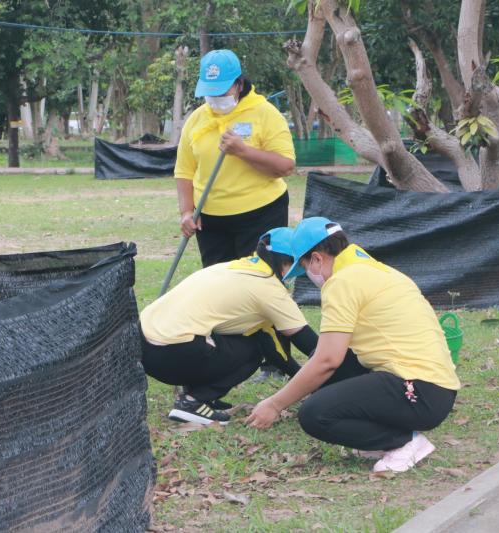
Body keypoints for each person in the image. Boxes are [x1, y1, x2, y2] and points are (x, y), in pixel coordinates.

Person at [246, 217, 461, 473]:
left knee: (315, 414)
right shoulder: (377, 270)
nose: (309, 277)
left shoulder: (342, 281)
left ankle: (404, 443)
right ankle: (378, 433)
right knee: (324, 368)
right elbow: (330, 355)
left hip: (419, 392)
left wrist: (275, 404)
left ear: (317, 258)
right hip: (436, 388)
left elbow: (328, 360)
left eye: (305, 268)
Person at [176, 49, 296, 382]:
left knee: (264, 285)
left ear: (239, 84)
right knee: (218, 285)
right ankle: (230, 353)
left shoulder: (264, 113)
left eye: (222, 91)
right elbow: (184, 171)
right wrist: (187, 211)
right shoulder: (198, 120)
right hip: (211, 219)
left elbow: (286, 166)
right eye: (209, 93)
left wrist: (243, 151)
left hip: (260, 212)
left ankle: (277, 359)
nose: (215, 99)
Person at [139, 228, 319, 425]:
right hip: (173, 353)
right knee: (255, 348)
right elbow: (307, 345)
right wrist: (313, 381)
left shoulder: (233, 267)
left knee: (224, 336)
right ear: (286, 262)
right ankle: (193, 402)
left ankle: (198, 396)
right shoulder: (269, 288)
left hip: (144, 347)